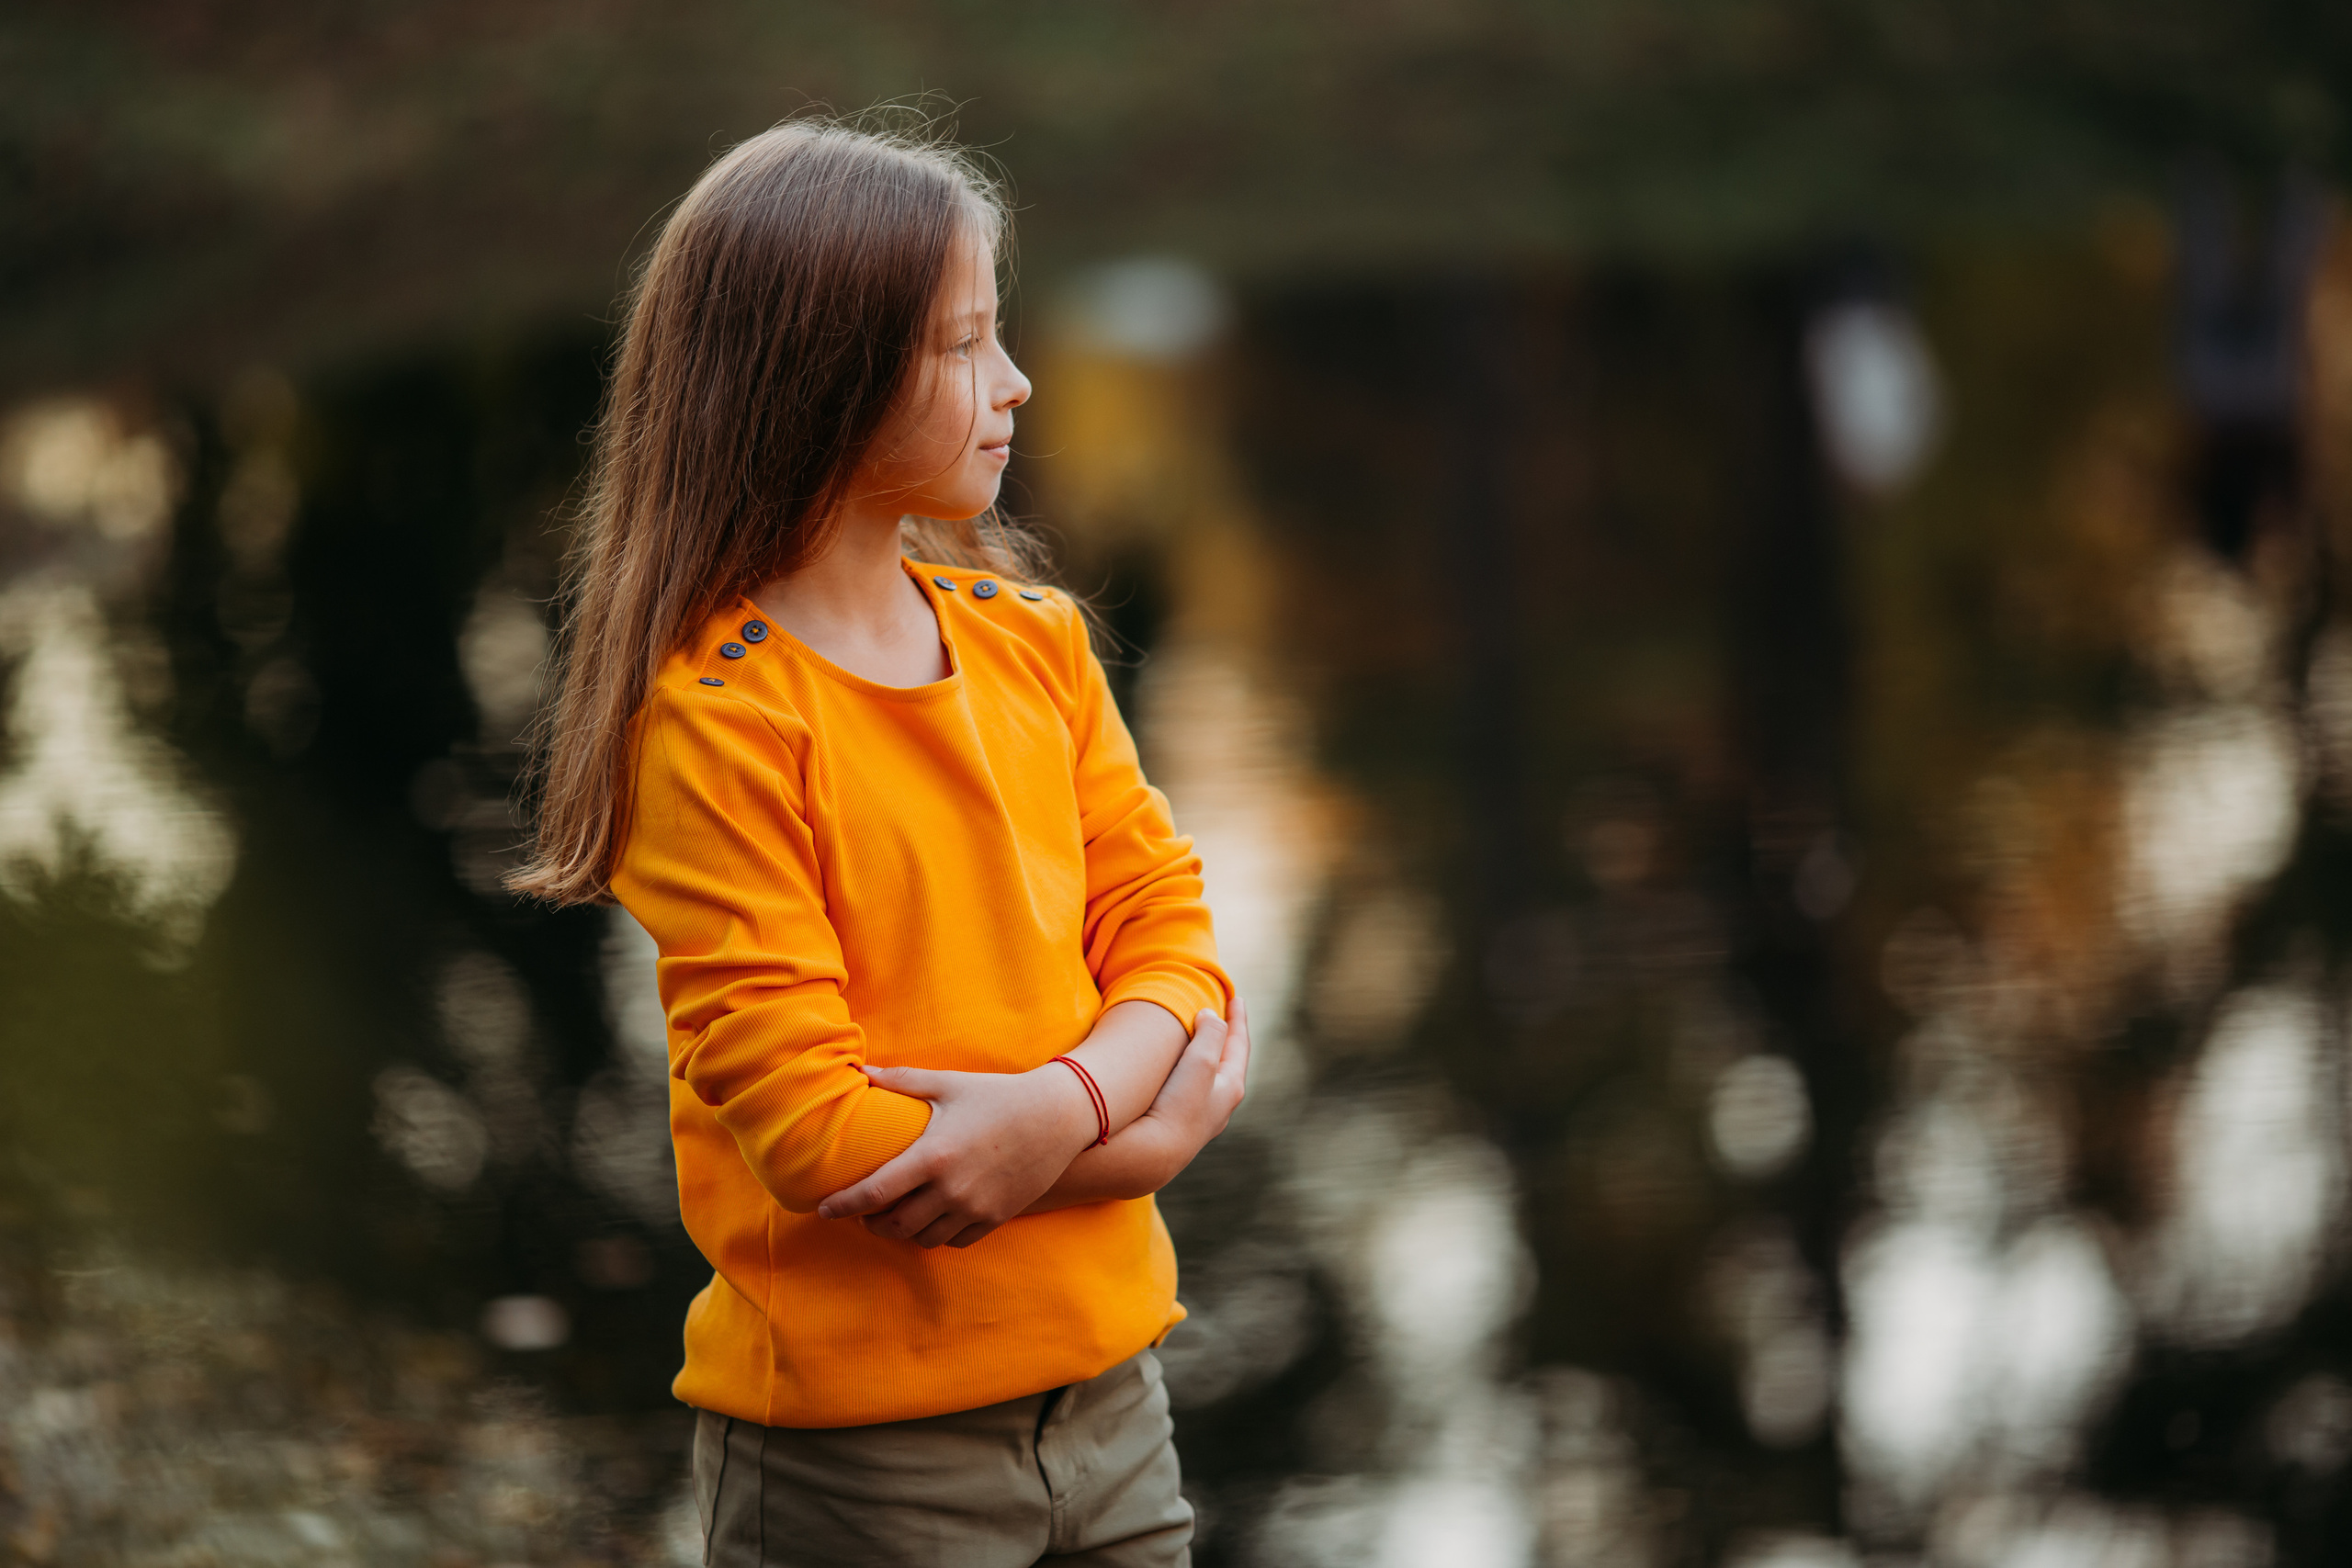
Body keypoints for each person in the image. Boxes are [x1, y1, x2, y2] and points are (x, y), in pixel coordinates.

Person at [509, 117, 1250, 1566]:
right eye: (965, 345)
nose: (1017, 383)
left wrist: (1064, 1104)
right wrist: (1132, 1129)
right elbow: (824, 1140)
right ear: (819, 385)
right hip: (858, 1466)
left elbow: (1173, 937)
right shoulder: (718, 721)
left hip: (1115, 1409)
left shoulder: (1034, 645)